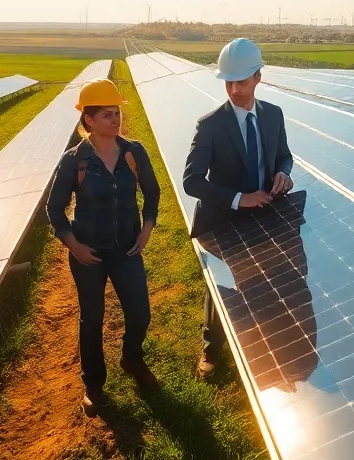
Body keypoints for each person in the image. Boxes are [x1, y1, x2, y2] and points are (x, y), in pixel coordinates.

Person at [45, 78, 162, 416]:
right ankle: (93, 384)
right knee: (91, 319)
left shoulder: (133, 152)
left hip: (127, 249)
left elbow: (152, 193)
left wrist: (147, 230)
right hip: (88, 254)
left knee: (140, 313)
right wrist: (74, 246)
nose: (116, 119)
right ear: (89, 121)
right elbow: (54, 209)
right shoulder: (74, 160)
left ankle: (132, 358)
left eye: (117, 113)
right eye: (107, 115)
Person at [182, 38, 294, 377]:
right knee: (221, 287)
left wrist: (283, 175)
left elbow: (284, 156)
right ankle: (211, 350)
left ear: (258, 78)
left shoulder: (273, 115)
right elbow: (192, 181)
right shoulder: (211, 125)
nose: (233, 89)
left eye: (241, 82)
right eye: (228, 82)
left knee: (262, 279)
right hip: (224, 220)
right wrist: (238, 198)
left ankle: (260, 339)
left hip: (265, 213)